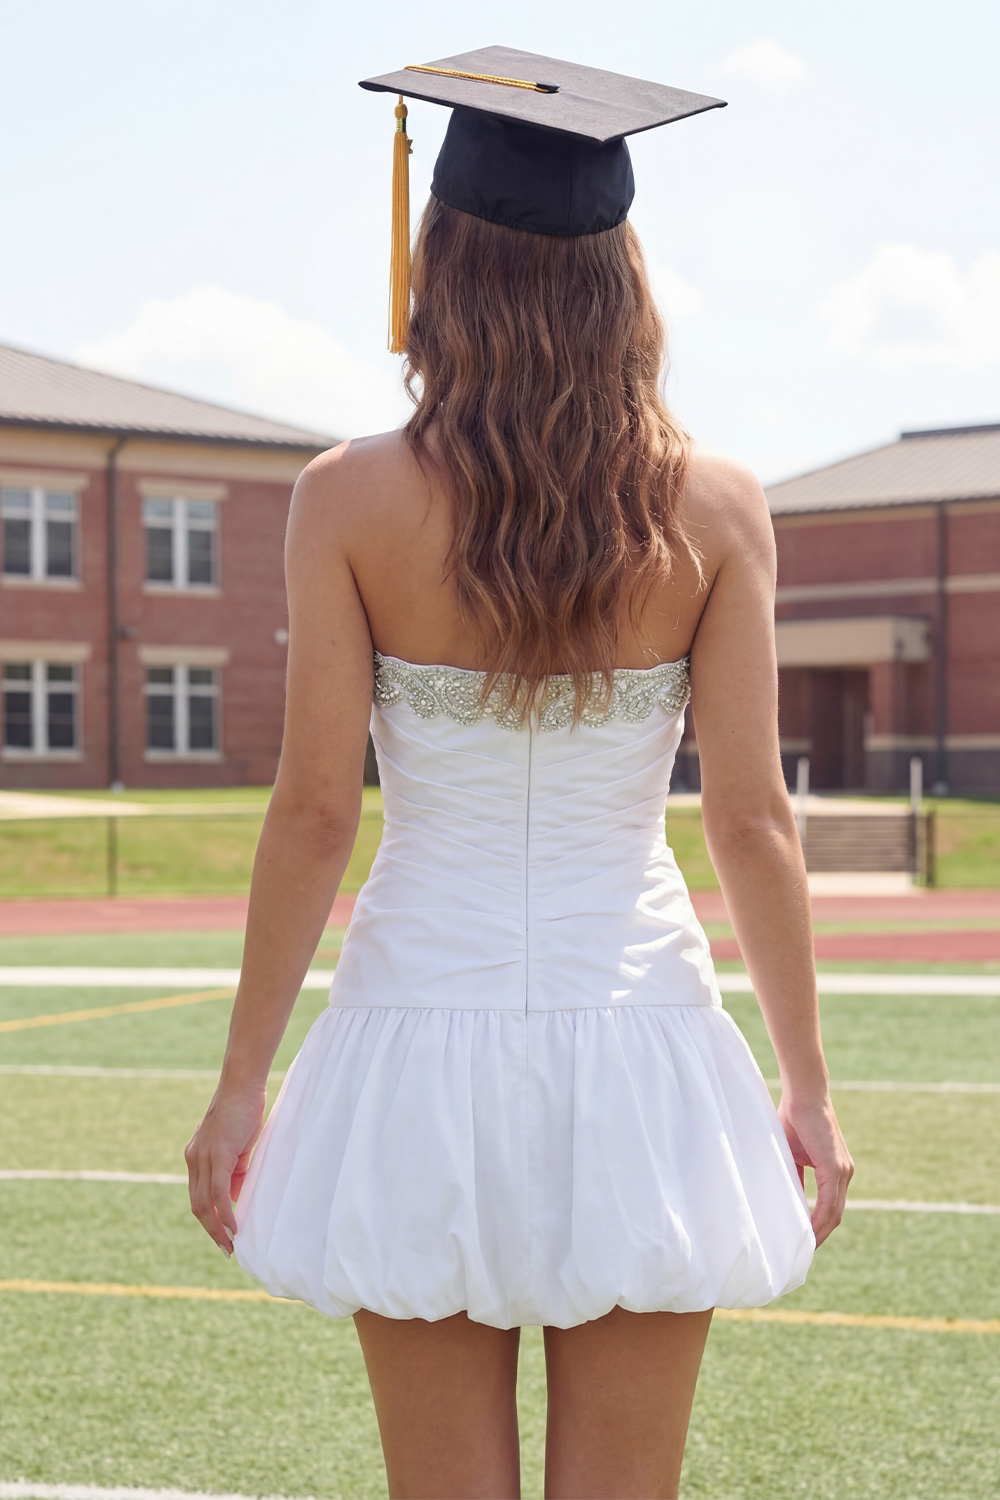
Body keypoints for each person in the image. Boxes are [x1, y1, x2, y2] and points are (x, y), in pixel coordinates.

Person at [186, 47, 853, 1500]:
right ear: (624, 278)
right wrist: (807, 1085)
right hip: (643, 1041)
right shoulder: (719, 505)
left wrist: (241, 1086)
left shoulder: (345, 499)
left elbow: (316, 813)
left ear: (441, 265)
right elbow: (752, 820)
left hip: (413, 1037)